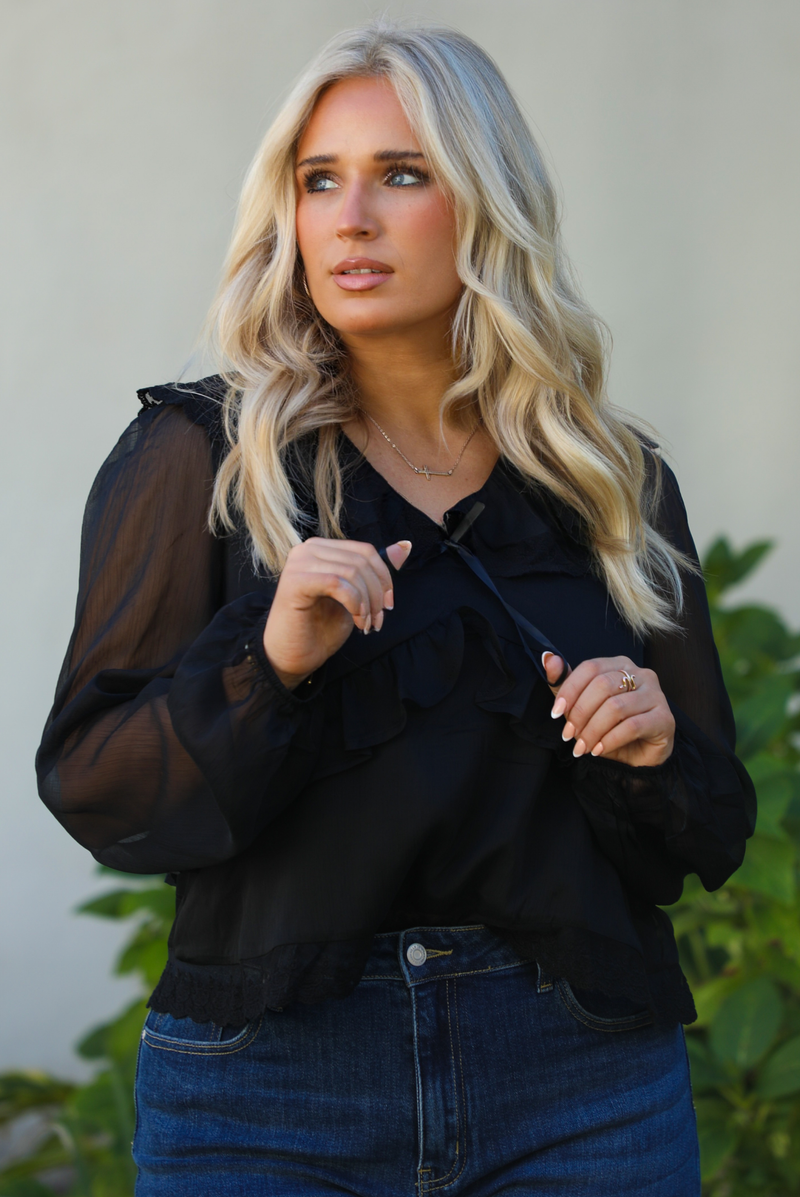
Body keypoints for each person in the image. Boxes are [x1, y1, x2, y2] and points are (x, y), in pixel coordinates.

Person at [37, 20, 755, 1196]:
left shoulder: (604, 480)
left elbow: (705, 831)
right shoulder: (204, 456)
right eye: (319, 181)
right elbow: (99, 788)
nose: (349, 219)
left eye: (401, 175)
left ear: (485, 203)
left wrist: (648, 743)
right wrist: (267, 663)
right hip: (266, 1094)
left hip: (580, 1086)